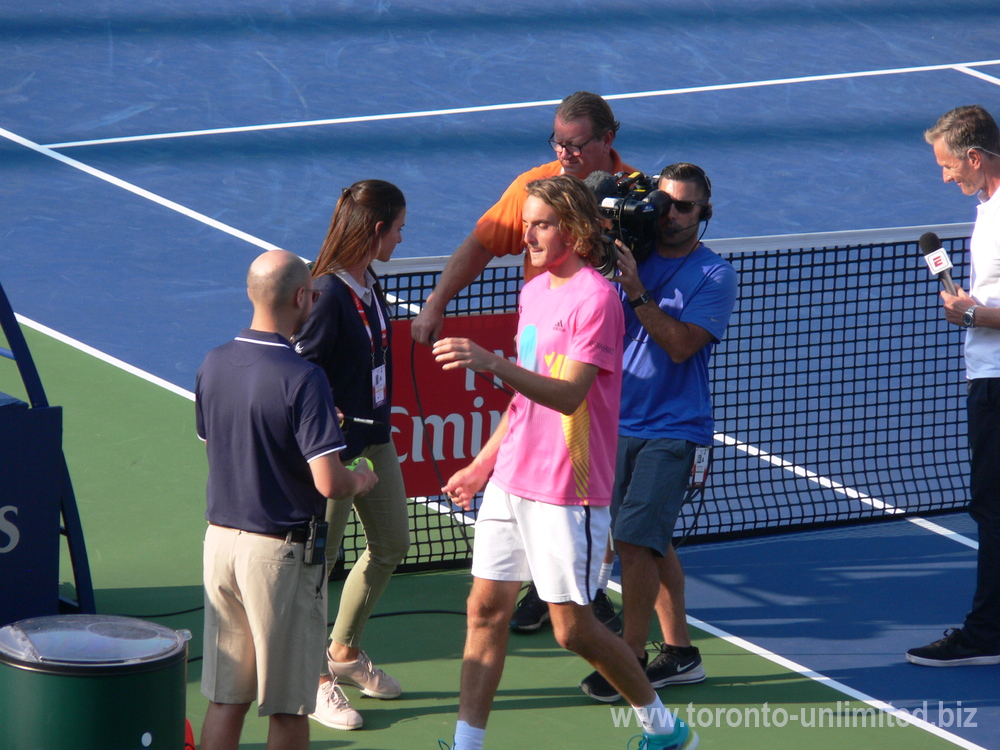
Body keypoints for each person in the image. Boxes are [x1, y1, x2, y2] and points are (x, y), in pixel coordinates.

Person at [432, 175, 697, 750]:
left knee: (571, 630)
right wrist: (483, 463)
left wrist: (490, 363)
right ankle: (467, 743)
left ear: (573, 231)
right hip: (512, 478)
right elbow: (529, 396)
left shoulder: (597, 301)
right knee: (484, 609)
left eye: (541, 224)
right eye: (526, 223)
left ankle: (662, 727)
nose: (527, 234)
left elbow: (569, 393)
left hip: (566, 489)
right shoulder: (535, 291)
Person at [413, 90, 635, 633]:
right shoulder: (533, 190)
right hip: (546, 349)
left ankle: (586, 592)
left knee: (595, 478)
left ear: (608, 139)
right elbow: (483, 244)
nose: (565, 154)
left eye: (577, 144)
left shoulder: (634, 196)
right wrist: (437, 303)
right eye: (557, 142)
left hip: (610, 352)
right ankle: (553, 588)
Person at [196, 249, 377, 750]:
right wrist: (360, 477)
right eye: (313, 296)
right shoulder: (304, 379)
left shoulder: (213, 363)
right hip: (279, 558)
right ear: (301, 297)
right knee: (290, 707)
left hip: (220, 548)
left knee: (226, 699)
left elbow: (228, 446)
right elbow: (330, 483)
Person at [578, 163, 738, 702]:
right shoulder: (630, 253)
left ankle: (631, 657)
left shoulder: (714, 274)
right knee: (652, 539)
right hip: (614, 420)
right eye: (665, 203)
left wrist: (637, 290)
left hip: (674, 427)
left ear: (704, 213)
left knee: (632, 540)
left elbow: (681, 345)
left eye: (685, 207)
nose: (672, 215)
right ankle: (682, 653)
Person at [293, 180, 412, 728]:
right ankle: (313, 678)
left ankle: (343, 651)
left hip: (375, 438)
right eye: (399, 227)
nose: (403, 236)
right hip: (333, 451)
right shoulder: (326, 292)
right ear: (376, 230)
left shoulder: (368, 284)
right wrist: (328, 419)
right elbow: (299, 370)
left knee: (391, 544)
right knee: (319, 564)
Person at [907, 104, 1000, 667]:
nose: (945, 177)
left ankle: (987, 633)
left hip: (999, 383)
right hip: (988, 376)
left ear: (973, 156)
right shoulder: (986, 208)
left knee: (993, 510)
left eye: (947, 166)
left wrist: (974, 316)